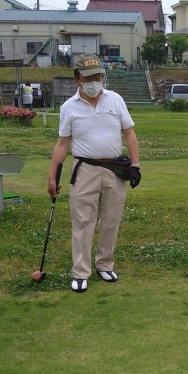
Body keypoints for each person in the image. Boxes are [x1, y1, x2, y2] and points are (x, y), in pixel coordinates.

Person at [48, 53, 141, 293]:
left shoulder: (115, 100)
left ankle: (105, 264)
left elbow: (129, 133)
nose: (95, 81)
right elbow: (62, 143)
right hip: (85, 169)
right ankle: (80, 272)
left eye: (99, 76)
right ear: (77, 79)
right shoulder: (69, 107)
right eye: (89, 77)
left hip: (114, 169)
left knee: (111, 219)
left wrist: (136, 165)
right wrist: (52, 177)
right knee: (82, 221)